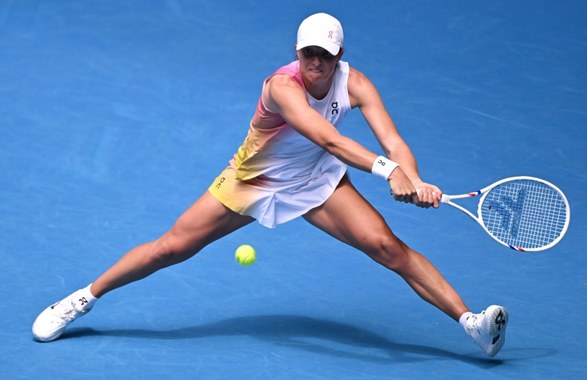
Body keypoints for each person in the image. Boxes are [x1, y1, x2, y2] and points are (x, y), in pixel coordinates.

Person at [32, 12, 508, 357]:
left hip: (316, 180)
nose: (315, 62)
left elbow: (393, 139)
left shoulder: (356, 83)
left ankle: (472, 325)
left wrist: (415, 177)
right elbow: (328, 137)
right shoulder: (282, 87)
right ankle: (81, 299)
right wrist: (389, 172)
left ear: (339, 54)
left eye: (324, 54)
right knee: (169, 249)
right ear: (296, 53)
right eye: (307, 53)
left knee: (387, 247)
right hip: (253, 180)